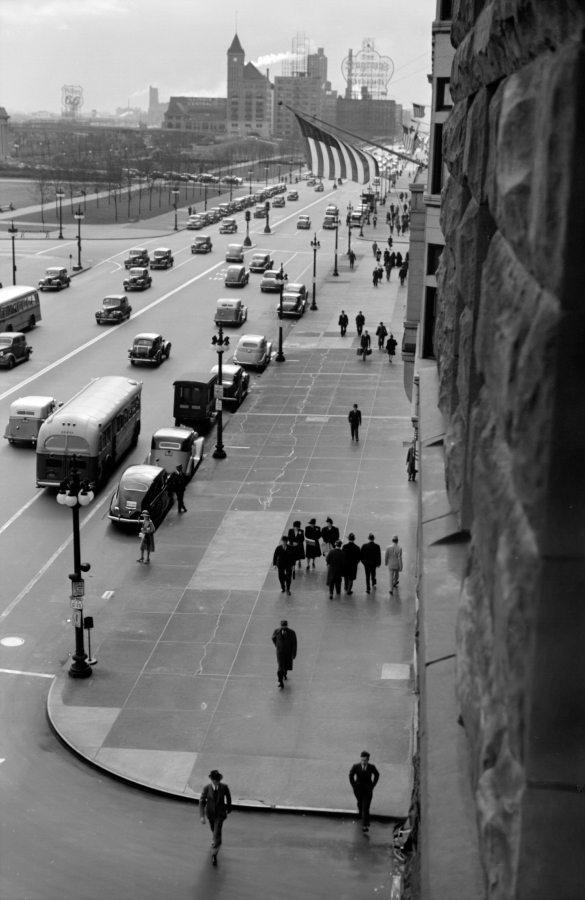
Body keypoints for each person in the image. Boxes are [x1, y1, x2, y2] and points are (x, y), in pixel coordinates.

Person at [200, 770, 232, 865]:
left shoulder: (224, 787)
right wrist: (202, 816)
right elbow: (202, 801)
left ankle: (214, 853)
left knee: (217, 831)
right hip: (210, 814)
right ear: (211, 780)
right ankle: (214, 838)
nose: (216, 782)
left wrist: (228, 808)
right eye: (214, 781)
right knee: (213, 828)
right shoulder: (206, 788)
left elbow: (228, 797)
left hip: (220, 814)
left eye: (217, 781)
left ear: (219, 780)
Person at [349, 751, 380, 833]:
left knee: (365, 807)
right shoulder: (356, 766)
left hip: (367, 790)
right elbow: (350, 775)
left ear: (368, 760)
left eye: (365, 760)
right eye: (362, 760)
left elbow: (377, 775)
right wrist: (353, 785)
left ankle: (365, 825)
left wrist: (373, 785)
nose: (363, 762)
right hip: (358, 790)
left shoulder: (372, 767)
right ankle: (363, 817)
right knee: (360, 805)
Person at [272, 619, 297, 688]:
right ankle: (280, 681)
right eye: (282, 626)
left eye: (284, 626)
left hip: (288, 652)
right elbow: (273, 638)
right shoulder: (276, 631)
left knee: (285, 665)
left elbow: (294, 643)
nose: (283, 627)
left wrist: (294, 653)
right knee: (280, 668)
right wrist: (277, 645)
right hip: (280, 653)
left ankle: (285, 673)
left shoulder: (292, 633)